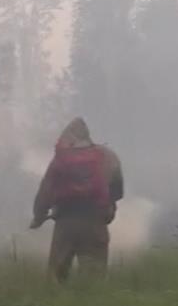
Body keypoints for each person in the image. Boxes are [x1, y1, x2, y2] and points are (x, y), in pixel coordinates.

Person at [30, 117, 123, 282]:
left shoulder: (61, 158)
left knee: (56, 279)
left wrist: (39, 217)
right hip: (95, 222)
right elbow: (117, 190)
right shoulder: (107, 155)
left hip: (65, 224)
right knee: (94, 278)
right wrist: (109, 209)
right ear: (87, 136)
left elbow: (46, 190)